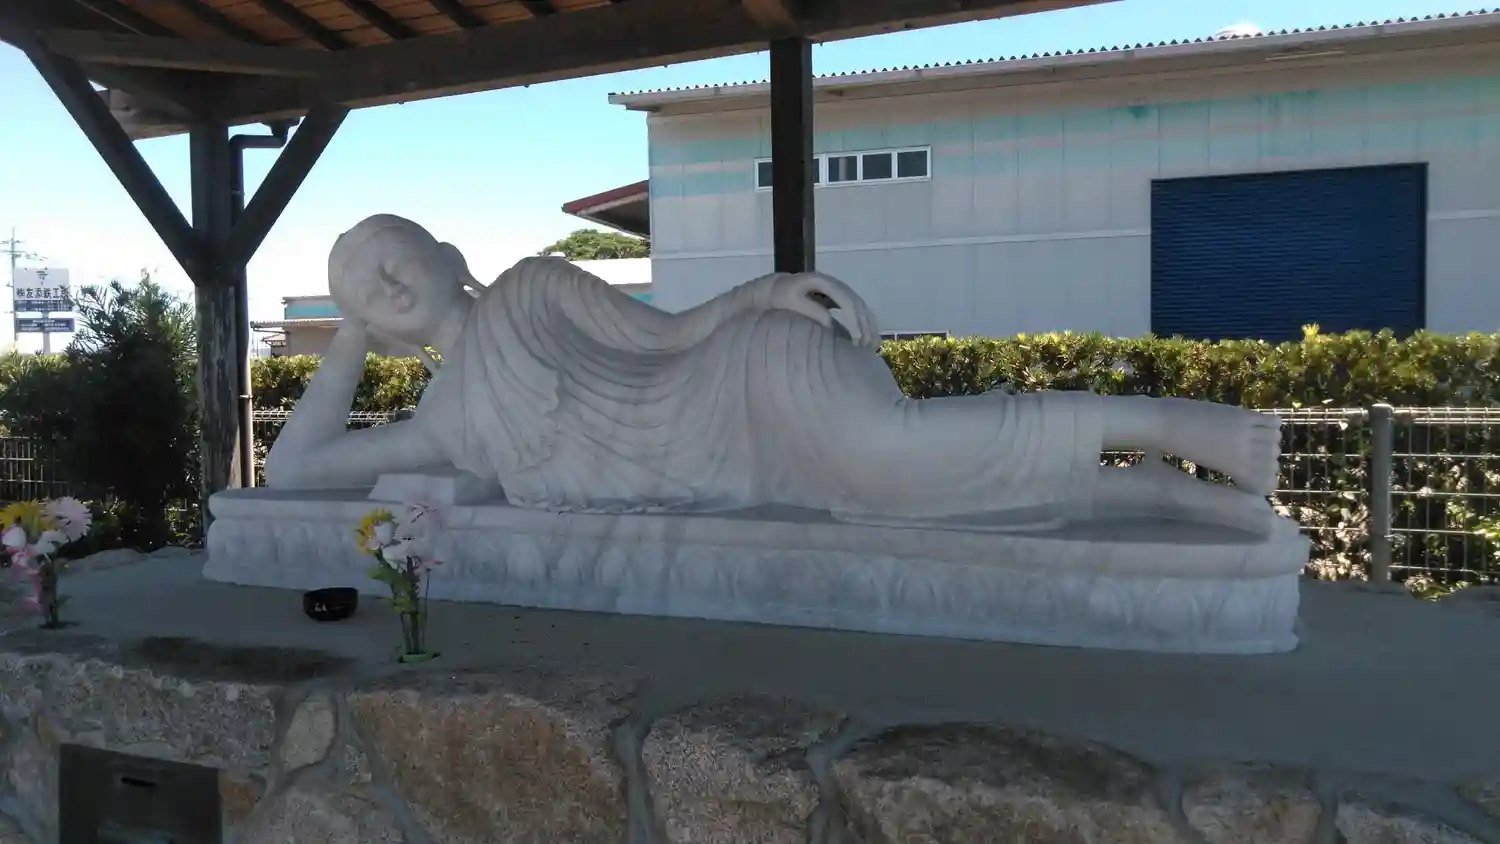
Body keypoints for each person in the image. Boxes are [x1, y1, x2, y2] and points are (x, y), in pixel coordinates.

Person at [265, 214, 1282, 534]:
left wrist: (771, 291)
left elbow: (668, 334)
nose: (387, 283)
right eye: (365, 290)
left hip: (738, 380)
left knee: (895, 452)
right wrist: (347, 335)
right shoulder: (447, 419)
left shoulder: (533, 286)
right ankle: (1148, 492)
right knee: (918, 498)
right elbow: (294, 470)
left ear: (445, 252)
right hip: (735, 473)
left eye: (392, 257)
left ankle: (1160, 422)